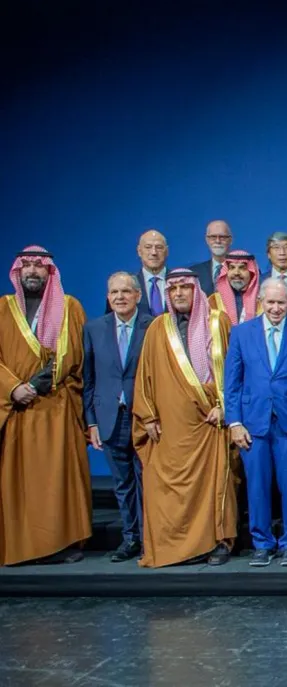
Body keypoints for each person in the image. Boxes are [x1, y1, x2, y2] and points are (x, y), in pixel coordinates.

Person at [133, 268, 236, 567]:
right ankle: (174, 546)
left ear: (196, 290)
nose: (178, 293)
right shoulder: (157, 328)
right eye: (173, 288)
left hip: (210, 424)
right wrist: (148, 416)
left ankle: (217, 543)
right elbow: (145, 376)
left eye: (184, 288)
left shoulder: (218, 322)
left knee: (216, 485)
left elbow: (233, 370)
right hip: (171, 428)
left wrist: (226, 407)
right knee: (168, 490)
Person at [0, 246, 90, 565]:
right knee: (20, 482)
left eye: (40, 267)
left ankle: (61, 543)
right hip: (16, 412)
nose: (33, 272)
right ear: (17, 271)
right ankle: (22, 544)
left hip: (55, 407)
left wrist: (34, 386)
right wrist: (13, 389)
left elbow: (73, 355)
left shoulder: (69, 307)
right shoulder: (2, 308)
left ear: (50, 271)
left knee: (57, 479)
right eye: (27, 266)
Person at [223, 278, 287, 567]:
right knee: (257, 486)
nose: (275, 308)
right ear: (261, 300)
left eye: (281, 302)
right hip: (252, 423)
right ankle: (262, 543)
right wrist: (234, 422)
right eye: (270, 302)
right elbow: (232, 384)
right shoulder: (241, 333)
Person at [83, 272, 154, 563]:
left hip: (144, 418)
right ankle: (131, 538)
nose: (120, 297)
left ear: (138, 295)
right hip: (110, 417)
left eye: (126, 291)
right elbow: (88, 378)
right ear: (108, 297)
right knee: (123, 485)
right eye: (114, 293)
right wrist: (91, 422)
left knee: (147, 481)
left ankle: (152, 537)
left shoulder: (154, 326)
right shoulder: (93, 328)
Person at [109, 229, 167, 316]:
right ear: (139, 251)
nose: (154, 252)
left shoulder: (179, 282)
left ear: (166, 251)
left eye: (159, 247)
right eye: (148, 247)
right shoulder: (125, 284)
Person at [209, 250, 261, 325]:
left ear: (252, 273)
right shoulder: (214, 301)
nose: (236, 273)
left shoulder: (262, 300)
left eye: (242, 268)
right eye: (232, 267)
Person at [189, 219, 233, 294]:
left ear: (230, 240)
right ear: (207, 240)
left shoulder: (244, 270)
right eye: (213, 237)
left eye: (222, 237)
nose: (218, 241)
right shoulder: (193, 274)